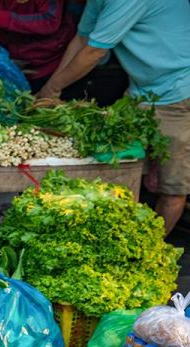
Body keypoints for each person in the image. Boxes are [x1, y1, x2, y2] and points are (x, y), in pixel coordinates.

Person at [37, 0, 190, 233]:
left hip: (178, 93)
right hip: (140, 94)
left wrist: (53, 89)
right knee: (128, 171)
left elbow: (95, 51)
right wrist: (48, 91)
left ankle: (147, 256)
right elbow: (81, 41)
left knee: (171, 188)